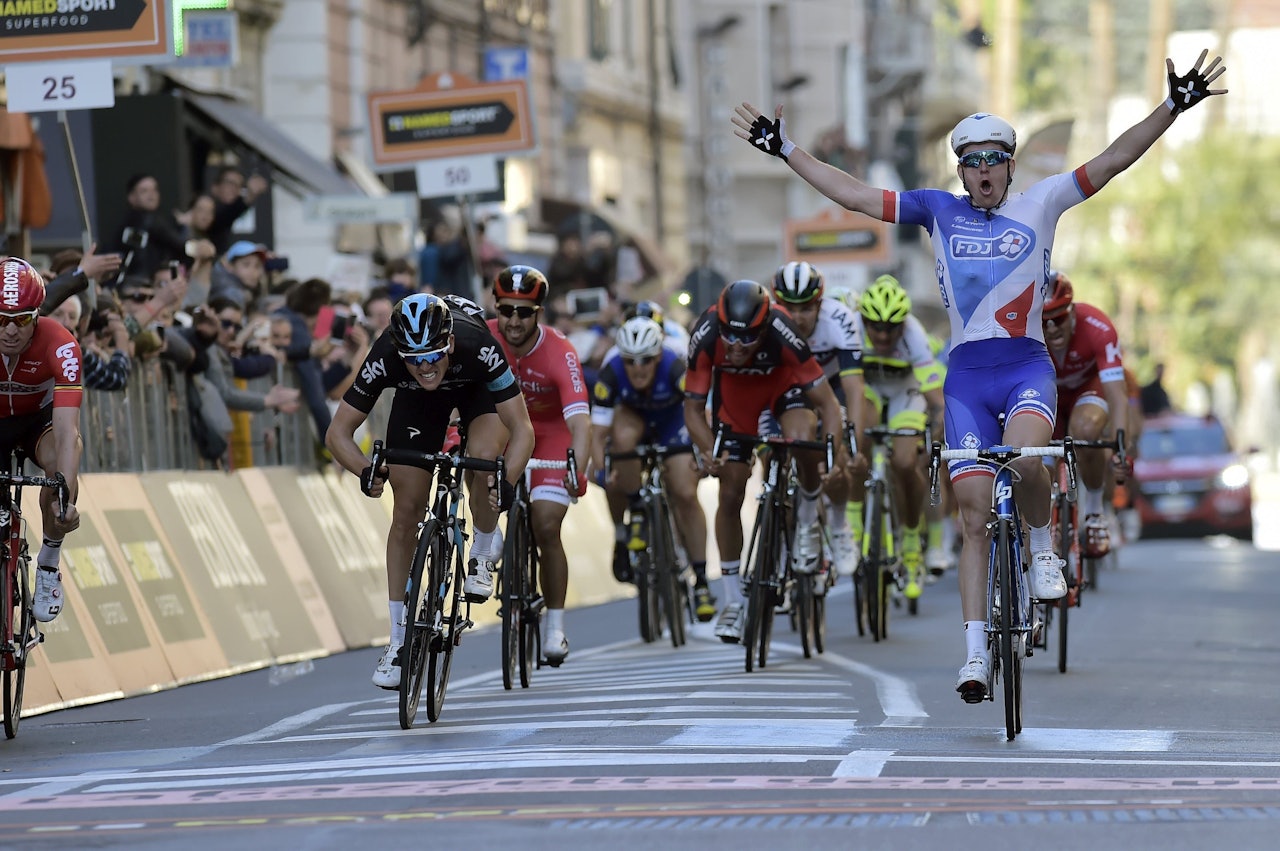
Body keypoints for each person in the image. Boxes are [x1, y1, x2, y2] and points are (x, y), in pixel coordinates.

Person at [732, 49, 1225, 699]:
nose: (984, 169)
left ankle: (1043, 547)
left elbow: (1112, 160)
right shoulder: (936, 209)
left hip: (1025, 369)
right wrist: (786, 149)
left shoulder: (1043, 201)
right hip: (965, 378)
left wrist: (1171, 108)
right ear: (960, 170)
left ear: (1011, 166)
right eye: (973, 160)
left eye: (995, 159)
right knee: (971, 518)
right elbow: (853, 194)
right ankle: (973, 656)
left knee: (1025, 462)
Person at [326, 293, 534, 689]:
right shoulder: (387, 353)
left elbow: (522, 429)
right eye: (414, 358)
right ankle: (398, 640)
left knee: (484, 459)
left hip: (477, 392)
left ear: (449, 342)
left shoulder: (477, 344)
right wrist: (365, 470)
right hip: (419, 404)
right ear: (400, 351)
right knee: (406, 512)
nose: (424, 366)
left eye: (433, 355)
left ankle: (483, 550)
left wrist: (507, 481)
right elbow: (337, 433)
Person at [683, 280, 851, 642]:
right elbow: (693, 409)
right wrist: (710, 450)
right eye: (730, 336)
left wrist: (831, 452)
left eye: (747, 337)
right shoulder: (706, 332)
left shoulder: (782, 329)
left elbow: (827, 405)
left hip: (784, 389)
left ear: (763, 327)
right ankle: (733, 601)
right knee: (730, 491)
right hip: (736, 401)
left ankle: (807, 519)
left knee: (803, 440)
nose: (736, 345)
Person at [486, 265, 590, 663]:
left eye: (524, 312)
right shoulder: (484, 338)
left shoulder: (560, 350)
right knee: (476, 456)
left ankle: (556, 629)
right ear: (496, 308)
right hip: (502, 431)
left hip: (550, 436)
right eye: (506, 310)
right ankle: (489, 531)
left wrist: (577, 470)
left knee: (547, 525)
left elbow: (579, 422)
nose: (513, 321)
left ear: (539, 313)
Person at [591, 315, 714, 622]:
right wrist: (601, 469)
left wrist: (705, 451)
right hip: (634, 419)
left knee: (685, 493)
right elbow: (598, 433)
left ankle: (701, 579)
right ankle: (636, 509)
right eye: (630, 361)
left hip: (673, 421)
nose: (638, 368)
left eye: (645, 360)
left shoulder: (675, 366)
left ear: (658, 355)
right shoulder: (611, 371)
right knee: (621, 440)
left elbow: (700, 413)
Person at [846, 275, 947, 597]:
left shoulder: (914, 334)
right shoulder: (850, 330)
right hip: (869, 391)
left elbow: (935, 396)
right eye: (875, 327)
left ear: (903, 324)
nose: (883, 335)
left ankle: (911, 541)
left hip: (906, 393)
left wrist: (939, 428)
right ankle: (852, 523)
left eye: (891, 328)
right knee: (859, 434)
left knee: (905, 463)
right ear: (863, 321)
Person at [768, 260, 865, 580]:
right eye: (789, 308)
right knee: (772, 458)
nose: (797, 317)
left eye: (806, 308)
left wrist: (854, 442)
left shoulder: (840, 318)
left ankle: (838, 524)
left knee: (835, 462)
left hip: (831, 389)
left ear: (820, 304)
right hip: (788, 390)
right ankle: (779, 537)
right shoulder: (767, 322)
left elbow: (854, 387)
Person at [0, 258, 83, 623]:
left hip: (39, 422)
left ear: (37, 316)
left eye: (21, 320)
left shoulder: (61, 344)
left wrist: (65, 495)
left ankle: (49, 563)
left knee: (62, 463)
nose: (10, 330)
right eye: (1, 319)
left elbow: (66, 431)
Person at [1041, 271, 1129, 558]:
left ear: (1072, 312)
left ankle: (1094, 511)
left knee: (1086, 432)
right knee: (1039, 457)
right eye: (1044, 321)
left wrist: (1120, 448)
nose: (1052, 328)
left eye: (1058, 319)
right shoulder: (1025, 332)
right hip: (1048, 393)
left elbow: (1117, 395)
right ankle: (1044, 523)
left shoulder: (1097, 326)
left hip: (1087, 389)